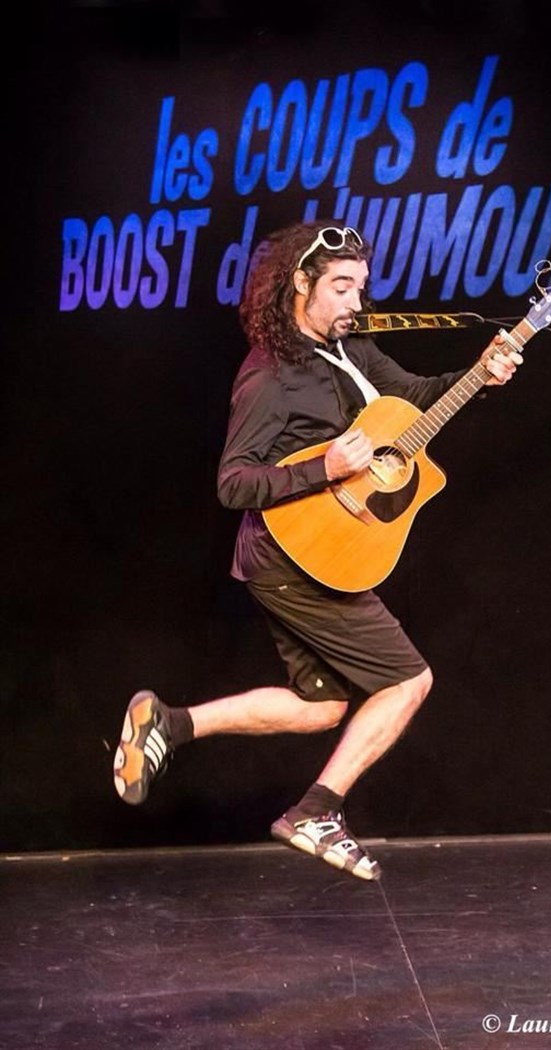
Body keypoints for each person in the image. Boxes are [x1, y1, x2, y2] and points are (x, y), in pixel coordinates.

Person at [113, 219, 522, 881]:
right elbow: (233, 483)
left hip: (314, 554)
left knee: (322, 707)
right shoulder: (269, 376)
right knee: (408, 680)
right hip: (288, 556)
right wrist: (323, 469)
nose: (356, 302)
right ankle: (317, 811)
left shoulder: (351, 348)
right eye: (341, 287)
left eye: (360, 287)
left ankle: (169, 723)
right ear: (300, 284)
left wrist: (479, 374)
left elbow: (412, 400)